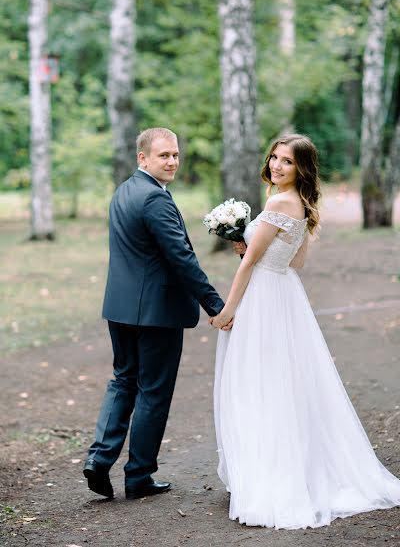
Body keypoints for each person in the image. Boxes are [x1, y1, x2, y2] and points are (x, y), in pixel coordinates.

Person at [210, 134, 400, 529]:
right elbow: (294, 261)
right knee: (283, 382)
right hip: (284, 293)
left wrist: (229, 307)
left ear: (302, 168)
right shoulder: (301, 204)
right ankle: (282, 465)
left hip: (263, 296)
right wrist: (253, 246)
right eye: (275, 158)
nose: (278, 166)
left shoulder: (279, 202)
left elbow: (250, 267)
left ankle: (267, 474)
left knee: (254, 383)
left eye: (288, 162)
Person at [83, 127, 228, 500]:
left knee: (123, 380)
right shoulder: (155, 199)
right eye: (164, 155)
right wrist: (217, 305)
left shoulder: (124, 192)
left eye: (176, 154)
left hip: (121, 306)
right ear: (142, 158)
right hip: (156, 313)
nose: (173, 161)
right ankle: (139, 476)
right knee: (152, 391)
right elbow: (182, 258)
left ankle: (99, 460)